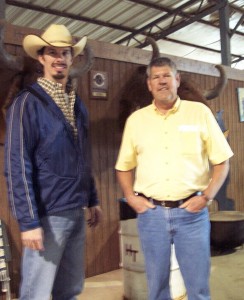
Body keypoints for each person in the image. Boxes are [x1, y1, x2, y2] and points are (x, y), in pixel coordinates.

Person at [115, 57, 233, 300]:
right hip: (152, 216)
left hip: (191, 215)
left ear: (177, 80)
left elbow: (222, 161)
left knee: (198, 288)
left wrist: (207, 196)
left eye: (166, 76)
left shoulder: (199, 113)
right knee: (157, 288)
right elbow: (123, 167)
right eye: (156, 77)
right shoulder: (136, 121)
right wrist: (130, 197)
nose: (161, 82)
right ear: (149, 84)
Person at [4, 24, 102, 300]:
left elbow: (82, 156)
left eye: (65, 53)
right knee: (36, 293)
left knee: (69, 290)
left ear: (72, 58)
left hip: (76, 211)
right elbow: (16, 166)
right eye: (52, 52)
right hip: (46, 217)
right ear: (42, 58)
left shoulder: (76, 103)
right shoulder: (25, 103)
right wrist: (28, 222)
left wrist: (92, 198)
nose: (59, 58)